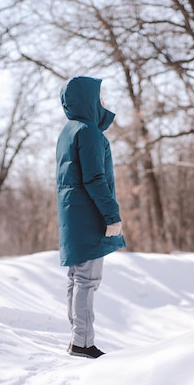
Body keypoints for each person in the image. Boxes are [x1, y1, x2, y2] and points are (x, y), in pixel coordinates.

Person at [56, 76, 125, 359]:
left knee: (76, 278)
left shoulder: (68, 131)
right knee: (87, 279)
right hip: (89, 215)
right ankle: (83, 343)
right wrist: (112, 217)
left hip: (73, 214)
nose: (103, 103)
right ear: (87, 100)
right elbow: (95, 178)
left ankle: (77, 338)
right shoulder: (89, 132)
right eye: (99, 98)